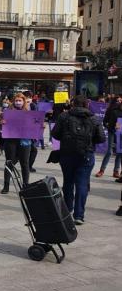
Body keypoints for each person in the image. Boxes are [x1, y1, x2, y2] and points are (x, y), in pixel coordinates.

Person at [51, 95, 106, 225]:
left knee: (68, 182)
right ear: (87, 104)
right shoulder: (94, 118)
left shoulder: (64, 116)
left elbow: (55, 134)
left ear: (73, 104)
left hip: (67, 154)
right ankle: (79, 215)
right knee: (82, 184)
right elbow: (101, 138)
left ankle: (67, 209)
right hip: (86, 154)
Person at [0, 94, 32, 194]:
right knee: (9, 163)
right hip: (11, 141)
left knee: (25, 164)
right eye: (16, 100)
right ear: (13, 101)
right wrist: (3, 123)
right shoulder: (8, 113)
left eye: (20, 100)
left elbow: (34, 126)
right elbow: (2, 128)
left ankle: (25, 185)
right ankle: (6, 186)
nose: (18, 102)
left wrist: (40, 126)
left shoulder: (29, 113)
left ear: (24, 102)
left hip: (25, 141)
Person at [96, 96, 122, 178]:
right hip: (112, 131)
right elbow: (105, 122)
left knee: (119, 152)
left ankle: (116, 171)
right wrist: (110, 126)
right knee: (109, 151)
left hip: (120, 133)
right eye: (117, 100)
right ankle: (102, 170)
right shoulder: (111, 110)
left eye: (120, 100)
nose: (119, 102)